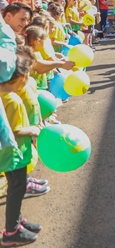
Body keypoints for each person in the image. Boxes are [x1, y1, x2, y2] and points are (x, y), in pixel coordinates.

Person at [0, 46, 43, 247]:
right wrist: (34, 130)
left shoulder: (3, 96)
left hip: (7, 155)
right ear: (23, 78)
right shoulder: (13, 100)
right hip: (14, 155)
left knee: (16, 189)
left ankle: (17, 221)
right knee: (16, 191)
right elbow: (15, 129)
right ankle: (11, 231)